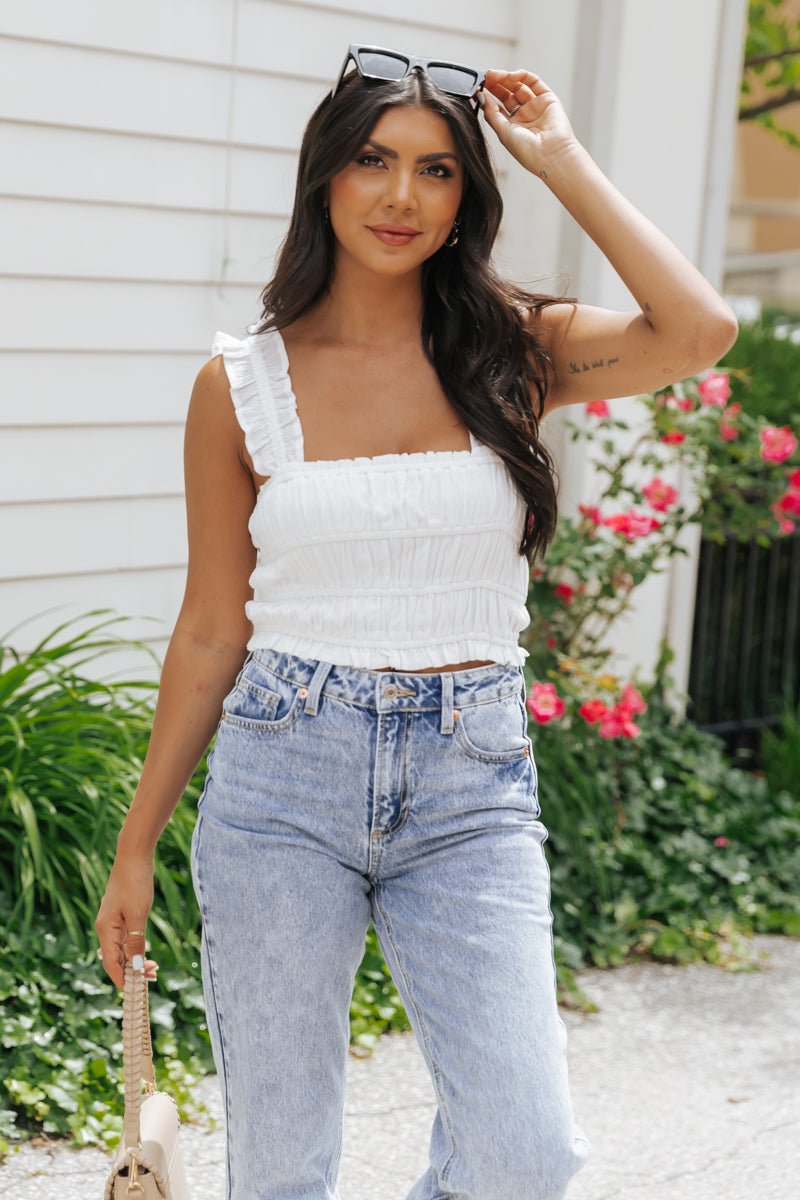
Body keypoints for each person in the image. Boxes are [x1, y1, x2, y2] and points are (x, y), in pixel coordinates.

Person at [95, 43, 738, 1200]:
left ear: (465, 197)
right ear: (324, 179)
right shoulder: (239, 386)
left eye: (437, 171)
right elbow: (207, 626)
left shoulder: (513, 351)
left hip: (469, 780)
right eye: (372, 163)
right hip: (283, 779)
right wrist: (135, 844)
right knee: (281, 1169)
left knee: (520, 1156)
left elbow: (695, 332)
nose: (401, 197)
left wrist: (559, 159)